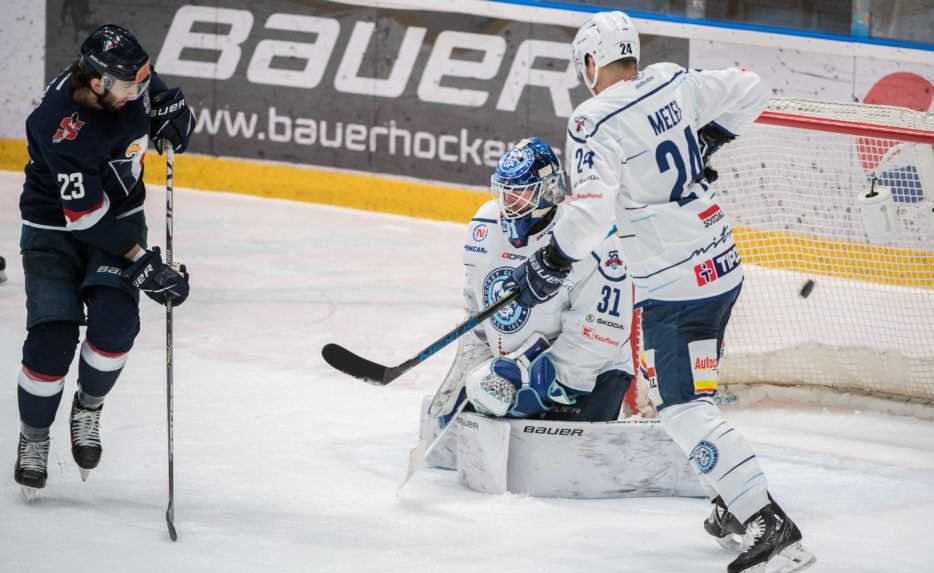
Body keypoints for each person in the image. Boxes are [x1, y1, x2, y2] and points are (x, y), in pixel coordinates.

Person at [507, 12, 815, 573]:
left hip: (673, 284)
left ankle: (768, 520)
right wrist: (711, 137)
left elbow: (591, 209)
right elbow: (752, 87)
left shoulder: (592, 121)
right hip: (721, 264)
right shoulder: (673, 80)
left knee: (680, 410)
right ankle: (729, 500)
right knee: (692, 391)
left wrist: (550, 262)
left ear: (592, 63)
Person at [13, 24, 194, 498]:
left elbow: (150, 87)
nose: (140, 91)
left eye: (142, 79)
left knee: (115, 326)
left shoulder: (124, 85)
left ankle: (87, 408)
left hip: (121, 214)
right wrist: (143, 263)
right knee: (52, 340)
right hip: (57, 229)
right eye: (130, 84)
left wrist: (172, 111)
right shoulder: (59, 127)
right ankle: (33, 438)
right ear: (97, 83)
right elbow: (87, 219)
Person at [429, 136, 634, 431]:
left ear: (548, 191)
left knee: (562, 467)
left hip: (590, 375)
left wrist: (544, 383)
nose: (508, 205)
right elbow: (476, 305)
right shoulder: (485, 224)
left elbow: (601, 332)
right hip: (514, 372)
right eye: (504, 195)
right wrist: (470, 369)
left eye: (519, 195)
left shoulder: (589, 239)